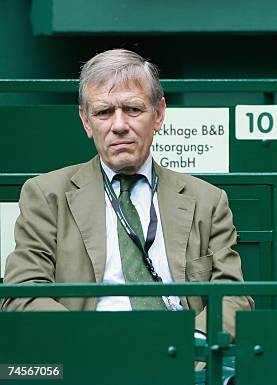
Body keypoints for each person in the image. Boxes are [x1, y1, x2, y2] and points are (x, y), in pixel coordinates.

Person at [1, 49, 253, 338]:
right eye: (104, 112)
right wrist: (96, 343)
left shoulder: (207, 201)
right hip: (88, 352)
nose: (119, 125)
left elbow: (234, 298)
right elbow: (22, 295)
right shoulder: (46, 195)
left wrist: (192, 347)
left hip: (181, 356)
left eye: (133, 109)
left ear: (158, 114)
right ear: (86, 121)